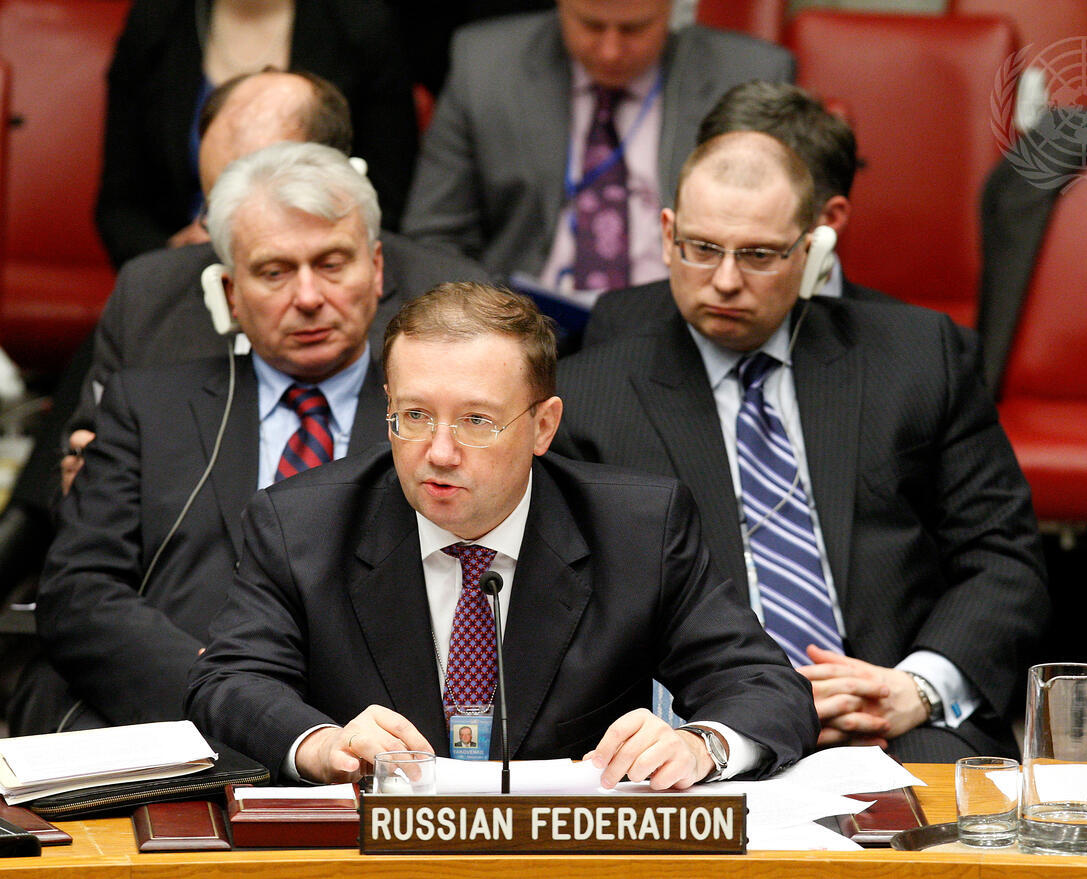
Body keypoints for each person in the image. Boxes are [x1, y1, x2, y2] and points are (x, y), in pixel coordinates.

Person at [186, 282, 817, 788]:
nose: (439, 452)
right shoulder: (301, 524)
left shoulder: (638, 527)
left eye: (476, 421)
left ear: (543, 426)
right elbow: (228, 682)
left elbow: (764, 686)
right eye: (414, 415)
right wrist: (322, 746)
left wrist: (700, 745)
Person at [553, 132, 1050, 762]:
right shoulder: (587, 397)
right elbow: (576, 608)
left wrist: (918, 687)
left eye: (759, 255)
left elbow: (1003, 557)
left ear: (811, 251)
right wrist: (733, 719)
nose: (725, 281)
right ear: (668, 233)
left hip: (894, 718)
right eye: (702, 249)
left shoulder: (918, 358)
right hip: (696, 734)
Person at [9, 142, 389, 735]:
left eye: (332, 263)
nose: (309, 297)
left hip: (372, 733)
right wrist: (235, 704)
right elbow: (80, 590)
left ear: (377, 269)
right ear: (232, 294)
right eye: (274, 272)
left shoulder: (429, 418)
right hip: (174, 722)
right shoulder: (147, 407)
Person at [63, 69, 488, 493]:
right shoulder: (150, 293)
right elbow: (77, 468)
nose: (307, 297)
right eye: (217, 206)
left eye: (273, 183)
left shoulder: (454, 301)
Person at [401, 0, 793, 303]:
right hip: (521, 324)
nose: (610, 50)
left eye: (634, 29)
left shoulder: (750, 75)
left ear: (672, 10)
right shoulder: (485, 66)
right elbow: (434, 238)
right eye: (590, 26)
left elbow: (783, 235)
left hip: (683, 317)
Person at [95, 0, 418, 269]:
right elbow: (119, 203)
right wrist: (173, 257)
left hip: (317, 269)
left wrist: (307, 250)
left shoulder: (361, 23)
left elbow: (390, 195)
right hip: (184, 269)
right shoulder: (154, 20)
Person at [584, 80, 892, 346]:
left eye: (758, 254)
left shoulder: (903, 344)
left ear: (830, 219)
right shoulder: (623, 323)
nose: (726, 283)